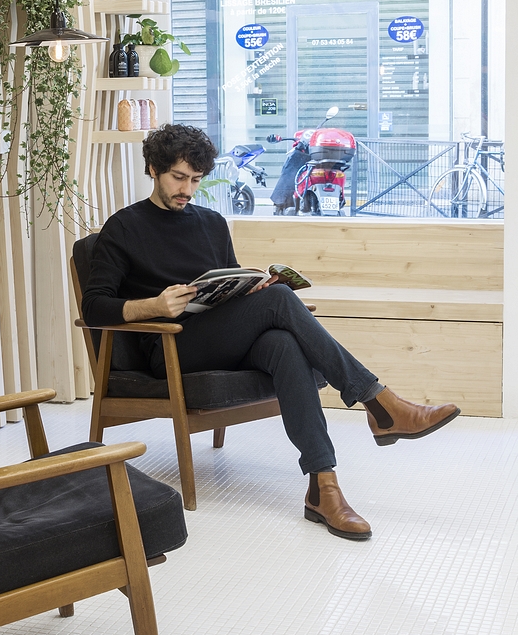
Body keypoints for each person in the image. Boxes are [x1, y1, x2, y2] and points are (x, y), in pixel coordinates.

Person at [81, 123, 460, 541]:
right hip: (171, 347)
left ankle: (323, 486)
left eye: (195, 179)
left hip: (218, 336)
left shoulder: (210, 223)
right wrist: (153, 305)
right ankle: (380, 403)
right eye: (178, 177)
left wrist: (250, 287)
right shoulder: (124, 227)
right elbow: (93, 305)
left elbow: (224, 282)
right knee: (280, 305)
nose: (187, 189)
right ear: (153, 169)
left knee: (283, 344)